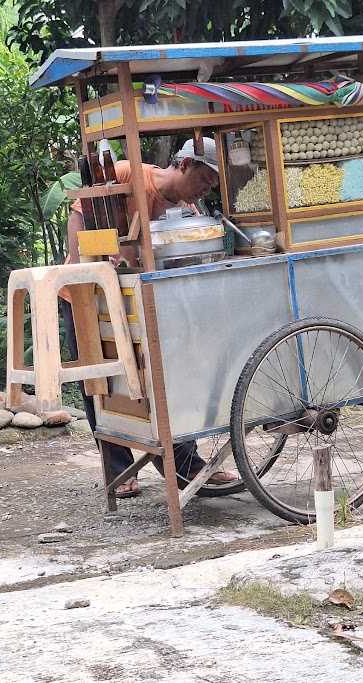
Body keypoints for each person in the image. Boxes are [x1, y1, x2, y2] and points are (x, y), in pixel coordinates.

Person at [63, 137, 238, 497]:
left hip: (134, 295)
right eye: (205, 179)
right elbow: (79, 215)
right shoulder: (128, 172)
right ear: (185, 165)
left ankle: (184, 464)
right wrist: (87, 266)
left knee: (161, 375)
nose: (206, 188)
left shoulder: (187, 211)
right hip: (85, 292)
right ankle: (121, 470)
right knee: (101, 380)